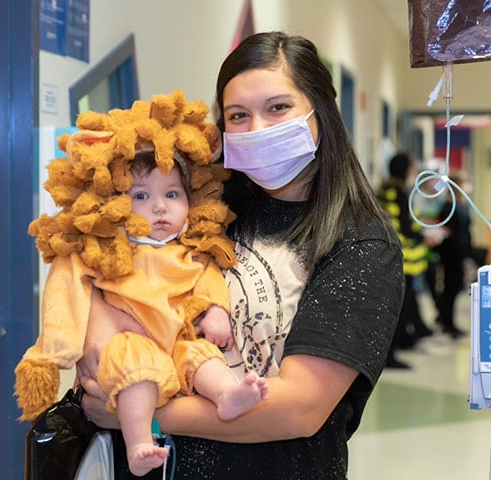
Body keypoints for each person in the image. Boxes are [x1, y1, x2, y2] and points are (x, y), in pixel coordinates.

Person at [78, 31, 404, 480]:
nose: (258, 129)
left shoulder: (361, 243)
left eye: (278, 108)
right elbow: (120, 281)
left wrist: (140, 412)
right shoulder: (203, 209)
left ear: (320, 113)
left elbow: (299, 411)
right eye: (238, 115)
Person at [18, 150, 269, 477]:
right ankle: (139, 443)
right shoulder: (105, 250)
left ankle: (226, 395)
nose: (160, 206)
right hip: (129, 344)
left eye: (172, 194)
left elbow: (209, 281)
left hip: (177, 342)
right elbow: (66, 298)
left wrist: (216, 312)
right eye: (141, 195)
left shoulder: (191, 252)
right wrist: (54, 352)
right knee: (135, 365)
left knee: (202, 354)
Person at [377, 152, 434, 367]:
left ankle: (406, 341)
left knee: (399, 307)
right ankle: (392, 354)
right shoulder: (400, 193)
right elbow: (406, 227)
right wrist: (425, 235)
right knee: (400, 309)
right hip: (404, 259)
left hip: (388, 257)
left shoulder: (382, 190)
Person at [431, 172, 472, 339]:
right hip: (451, 255)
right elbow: (450, 233)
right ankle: (447, 322)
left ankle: (446, 320)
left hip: (457, 253)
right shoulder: (449, 207)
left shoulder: (459, 205)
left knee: (453, 288)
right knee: (450, 288)